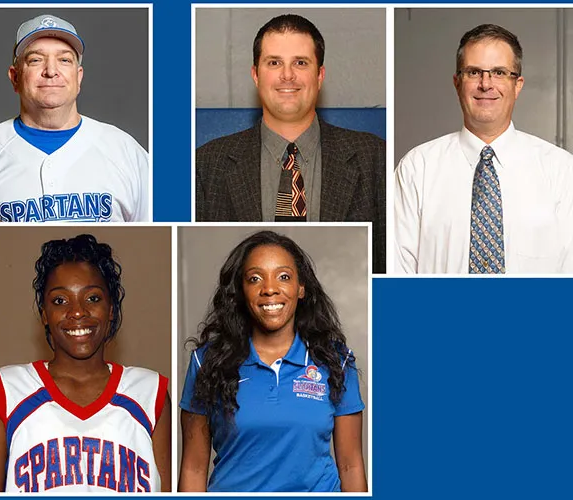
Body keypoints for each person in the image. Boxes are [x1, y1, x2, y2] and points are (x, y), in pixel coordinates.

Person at [0, 14, 150, 274]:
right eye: (36, 60)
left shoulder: (126, 150)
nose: (51, 71)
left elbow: (150, 251)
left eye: (64, 60)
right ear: (15, 77)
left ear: (78, 76)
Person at [195, 14, 386, 274]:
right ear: (255, 74)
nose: (287, 75)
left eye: (300, 62)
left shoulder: (374, 157)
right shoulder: (206, 165)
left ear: (319, 76)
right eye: (274, 62)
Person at [179, 230, 366, 493]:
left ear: (301, 288)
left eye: (284, 277)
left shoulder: (336, 360)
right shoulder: (207, 362)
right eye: (255, 278)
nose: (269, 289)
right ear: (241, 291)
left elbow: (351, 466)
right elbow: (193, 469)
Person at [0, 234, 171, 492]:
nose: (78, 311)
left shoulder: (150, 392)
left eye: (92, 298)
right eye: (60, 301)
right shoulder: (6, 391)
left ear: (111, 309)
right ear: (44, 315)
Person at [395, 24, 573, 274]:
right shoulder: (416, 169)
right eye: (474, 72)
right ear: (457, 83)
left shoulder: (562, 171)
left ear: (517, 85)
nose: (486, 84)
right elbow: (398, 275)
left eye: (499, 72)